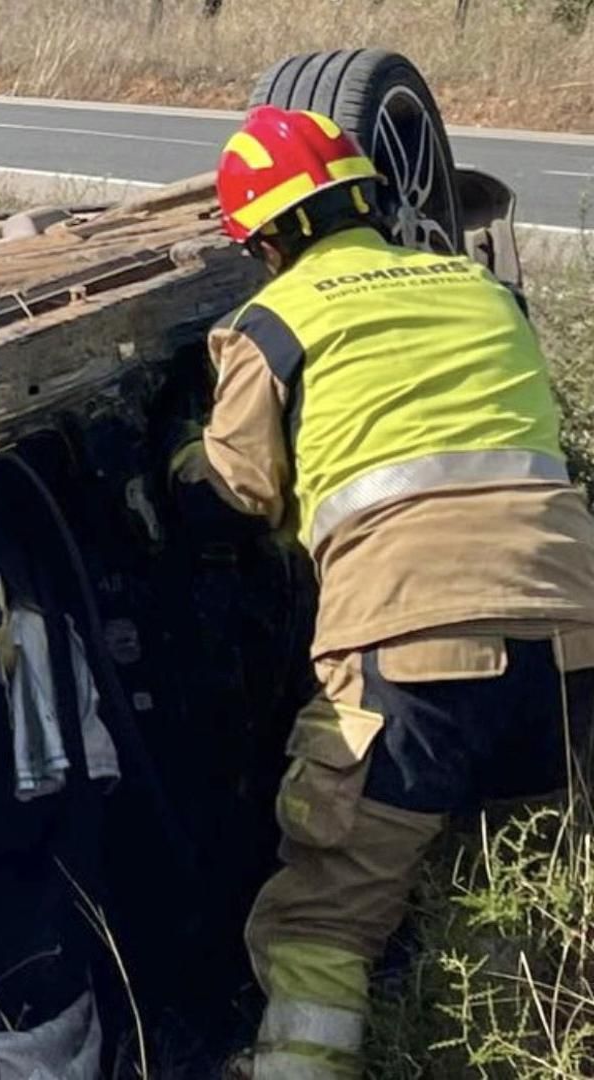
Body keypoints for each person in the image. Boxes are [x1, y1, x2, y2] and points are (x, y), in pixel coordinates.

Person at [180, 104, 594, 1077]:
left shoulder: (273, 321)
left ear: (267, 238)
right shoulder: (481, 290)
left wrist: (167, 473)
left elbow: (241, 488)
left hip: (412, 652)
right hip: (577, 634)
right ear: (365, 198)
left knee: (327, 911)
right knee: (519, 871)